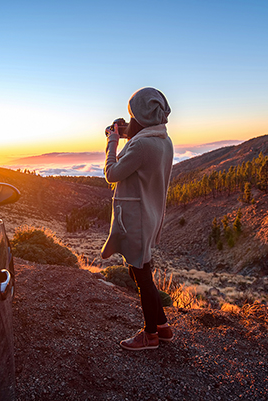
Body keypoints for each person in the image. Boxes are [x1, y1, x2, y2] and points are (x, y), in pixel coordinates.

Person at [102, 87, 174, 350]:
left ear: (141, 113)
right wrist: (124, 134)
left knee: (141, 277)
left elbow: (112, 173)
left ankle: (150, 335)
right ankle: (163, 327)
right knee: (142, 273)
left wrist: (112, 142)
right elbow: (143, 155)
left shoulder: (142, 145)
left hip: (137, 219)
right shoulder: (163, 139)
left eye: (133, 113)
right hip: (150, 214)